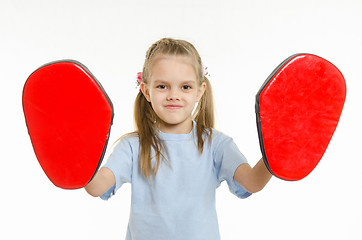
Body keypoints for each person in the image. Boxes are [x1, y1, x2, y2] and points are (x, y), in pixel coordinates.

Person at [85, 38, 272, 240]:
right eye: (162, 86)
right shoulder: (133, 147)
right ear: (146, 90)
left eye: (185, 87)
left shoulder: (216, 145)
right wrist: (75, 155)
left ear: (200, 91)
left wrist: (281, 147)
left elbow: (252, 182)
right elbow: (97, 186)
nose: (174, 95)